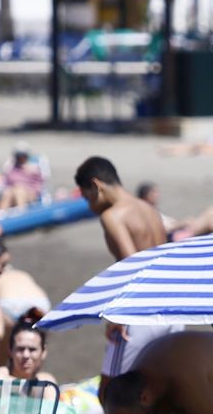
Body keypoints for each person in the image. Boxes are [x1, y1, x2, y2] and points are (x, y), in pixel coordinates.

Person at [75, 157, 174, 379]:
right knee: (158, 390)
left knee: (111, 389)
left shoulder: (112, 216)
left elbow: (133, 266)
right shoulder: (149, 209)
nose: (90, 207)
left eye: (87, 197)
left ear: (96, 186)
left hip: (142, 312)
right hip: (171, 310)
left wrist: (118, 314)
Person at [136, 181, 213, 243]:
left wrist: (183, 223)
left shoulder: (154, 211)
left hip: (179, 232)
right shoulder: (146, 213)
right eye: (154, 192)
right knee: (212, 214)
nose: (157, 195)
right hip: (174, 238)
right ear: (146, 196)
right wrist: (181, 224)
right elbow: (159, 230)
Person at [0, 144, 44, 212]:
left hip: (30, 194)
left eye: (23, 156)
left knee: (19, 190)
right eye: (18, 156)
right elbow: (6, 184)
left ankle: (21, 212)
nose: (21, 158)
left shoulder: (33, 168)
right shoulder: (12, 169)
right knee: (8, 192)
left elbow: (39, 186)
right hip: (12, 193)